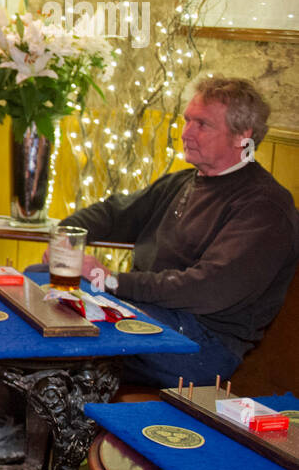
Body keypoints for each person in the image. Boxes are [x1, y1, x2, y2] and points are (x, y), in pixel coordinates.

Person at [56, 76, 299, 387]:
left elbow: (206, 289)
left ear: (242, 136)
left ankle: (43, 428)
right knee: (41, 285)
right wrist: (66, 237)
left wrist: (111, 280)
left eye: (202, 125)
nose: (186, 133)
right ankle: (18, 428)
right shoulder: (182, 182)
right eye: (187, 121)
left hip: (202, 343)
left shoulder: (264, 206)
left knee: (70, 330)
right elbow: (114, 212)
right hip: (150, 314)